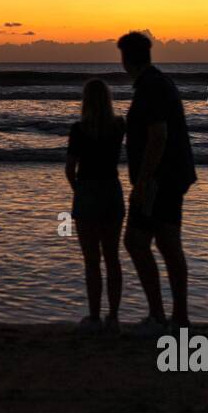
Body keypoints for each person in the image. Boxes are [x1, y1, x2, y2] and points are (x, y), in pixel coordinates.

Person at [117, 31, 197, 335]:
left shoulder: (150, 87)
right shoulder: (160, 82)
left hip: (159, 180)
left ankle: (160, 317)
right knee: (166, 242)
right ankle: (177, 319)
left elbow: (158, 135)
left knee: (136, 242)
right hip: (172, 176)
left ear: (126, 59)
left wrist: (143, 183)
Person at [65, 78, 126, 333]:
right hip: (111, 190)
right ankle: (113, 316)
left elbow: (70, 169)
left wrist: (78, 190)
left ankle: (94, 316)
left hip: (87, 190)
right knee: (112, 258)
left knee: (92, 260)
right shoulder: (119, 125)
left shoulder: (78, 129)